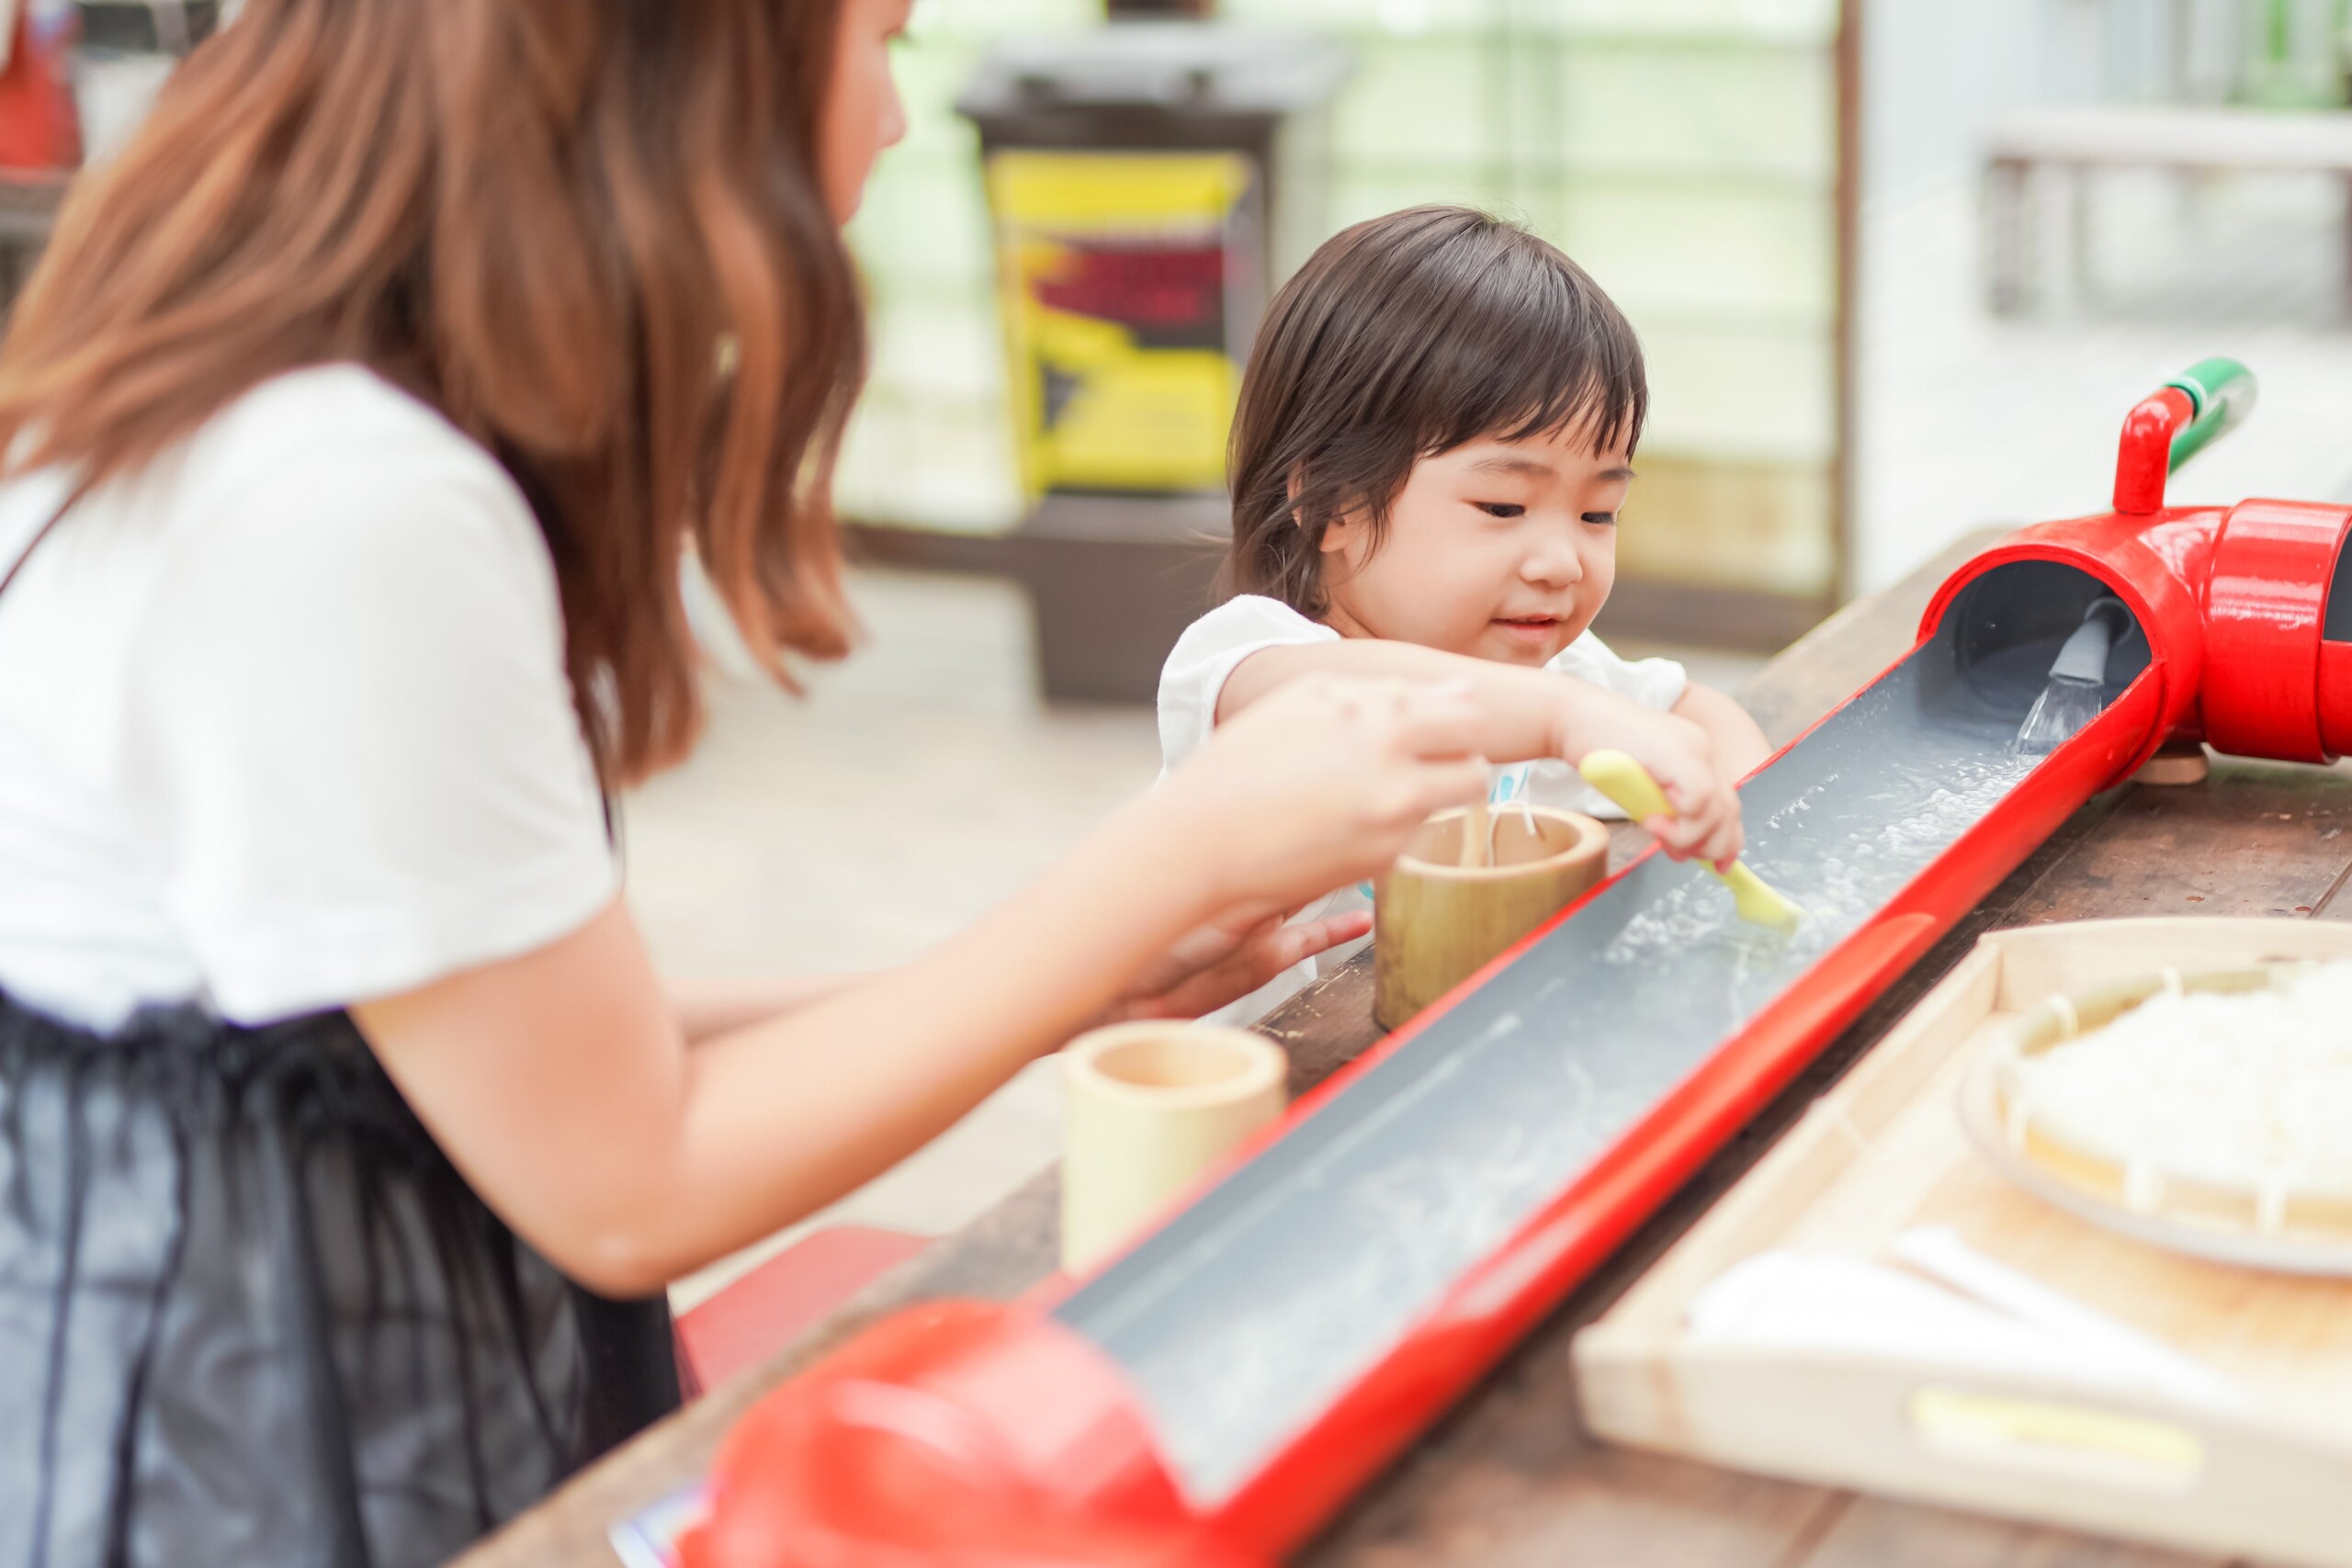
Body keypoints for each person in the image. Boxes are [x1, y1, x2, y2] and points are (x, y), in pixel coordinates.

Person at [0, 3, 1494, 1563]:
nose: (898, 123)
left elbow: (499, 1036)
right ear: (691, 62)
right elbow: (627, 1180)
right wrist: (1173, 854)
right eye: (885, 47)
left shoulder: (313, 427)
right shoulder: (341, 506)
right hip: (259, 1459)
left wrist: (1074, 982)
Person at [1159, 206, 1772, 1022]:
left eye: (1598, 514)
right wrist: (1569, 718)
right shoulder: (1247, 659)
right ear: (1332, 504)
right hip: (1247, 1111)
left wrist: (1727, 805)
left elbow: (1696, 712)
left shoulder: (1547, 674)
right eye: (1503, 504)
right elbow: (1348, 704)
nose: (1562, 561)